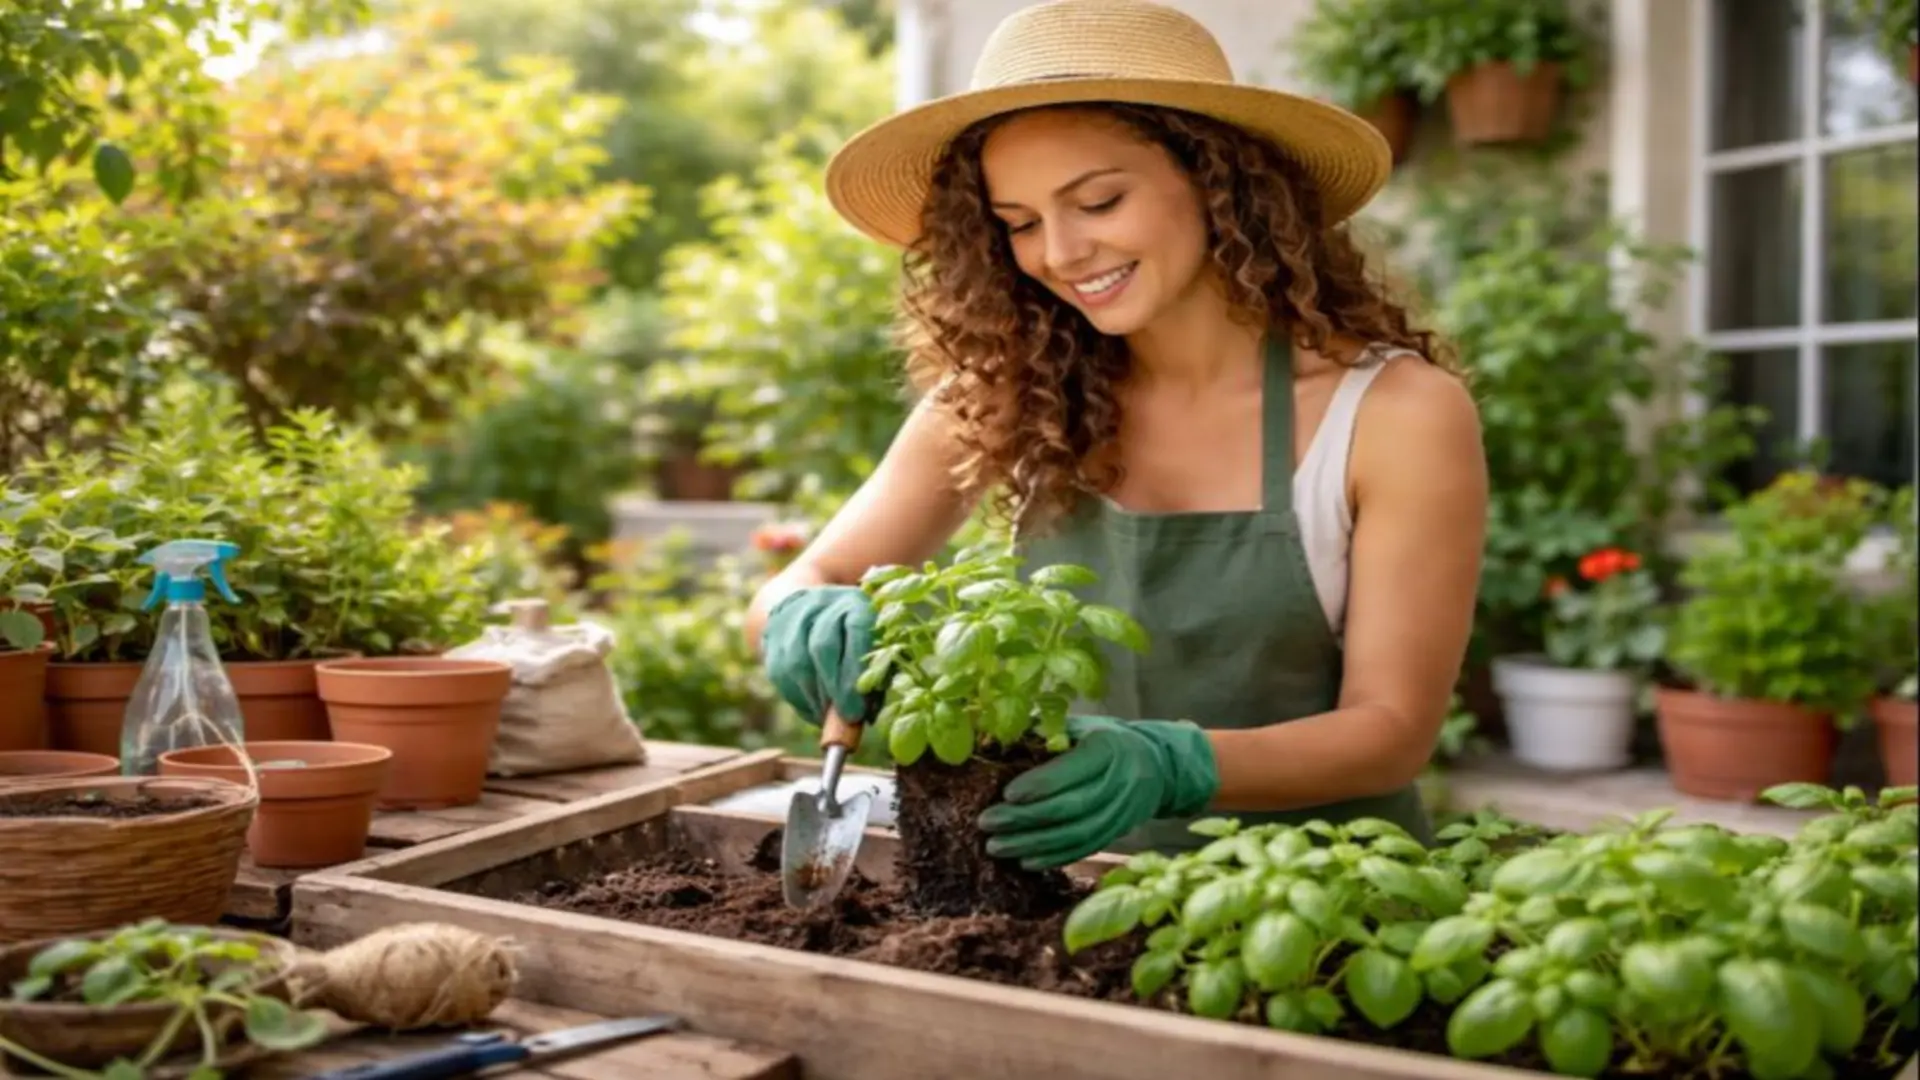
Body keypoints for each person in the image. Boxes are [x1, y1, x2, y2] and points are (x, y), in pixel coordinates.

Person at [746, 0, 1487, 869]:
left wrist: (1174, 764)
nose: (1060, 253)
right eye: (1019, 223)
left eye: (1098, 200)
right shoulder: (1011, 394)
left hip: (1321, 899)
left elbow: (1392, 731)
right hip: (1073, 896)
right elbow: (804, 580)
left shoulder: (1395, 414)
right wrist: (803, 613)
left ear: (1218, 179)